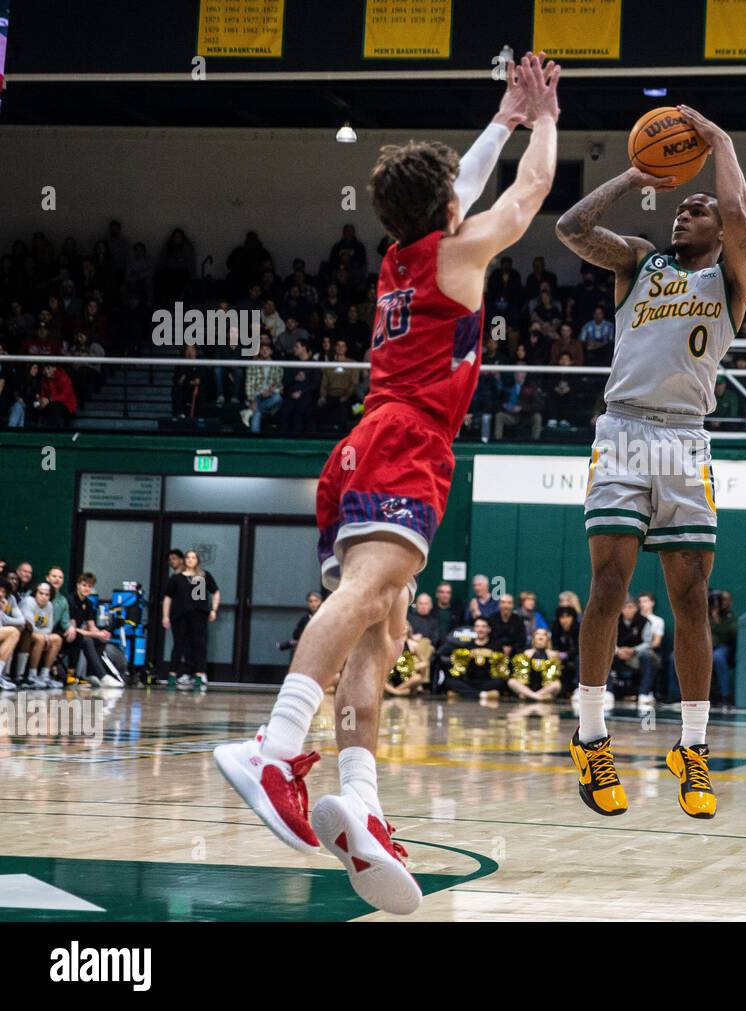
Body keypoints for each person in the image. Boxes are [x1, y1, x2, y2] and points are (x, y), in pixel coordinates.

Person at [214, 53, 562, 916]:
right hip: (406, 439)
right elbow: (525, 194)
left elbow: (466, 183)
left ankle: (359, 801)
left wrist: (504, 116)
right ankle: (276, 745)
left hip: (370, 445)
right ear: (450, 208)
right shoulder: (459, 245)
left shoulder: (405, 253)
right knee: (369, 596)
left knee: (386, 627)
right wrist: (545, 116)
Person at [555, 103, 746, 820]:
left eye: (698, 208)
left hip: (686, 439)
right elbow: (570, 229)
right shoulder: (640, 261)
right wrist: (631, 175)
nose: (689, 210)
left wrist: (721, 137)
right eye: (683, 203)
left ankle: (693, 747)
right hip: (623, 431)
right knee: (608, 580)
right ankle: (590, 734)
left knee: (690, 596)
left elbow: (738, 215)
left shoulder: (733, 279)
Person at [163, 550, 220, 689]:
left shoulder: (202, 576)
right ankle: (172, 674)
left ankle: (199, 675)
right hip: (179, 616)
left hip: (198, 615)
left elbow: (215, 592)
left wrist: (213, 609)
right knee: (179, 645)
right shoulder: (177, 578)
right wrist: (165, 616)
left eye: (193, 557)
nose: (190, 560)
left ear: (197, 561)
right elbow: (168, 597)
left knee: (198, 644)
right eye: (188, 557)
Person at [65, 572, 122, 687]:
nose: (87, 588)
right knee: (87, 640)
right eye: (84, 585)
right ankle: (102, 676)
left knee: (101, 640)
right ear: (78, 585)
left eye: (90, 586)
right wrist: (95, 634)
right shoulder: (70, 600)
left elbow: (92, 626)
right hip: (67, 632)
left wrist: (101, 633)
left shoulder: (89, 603)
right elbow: (73, 628)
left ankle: (91, 675)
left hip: (78, 633)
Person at [507, 627, 563, 702]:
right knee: (511, 681)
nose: (541, 637)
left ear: (547, 639)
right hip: (529, 687)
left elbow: (555, 675)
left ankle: (531, 696)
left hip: (545, 688)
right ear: (534, 638)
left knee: (557, 684)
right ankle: (537, 697)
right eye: (538, 634)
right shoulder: (527, 653)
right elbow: (522, 675)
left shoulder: (553, 654)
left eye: (544, 635)